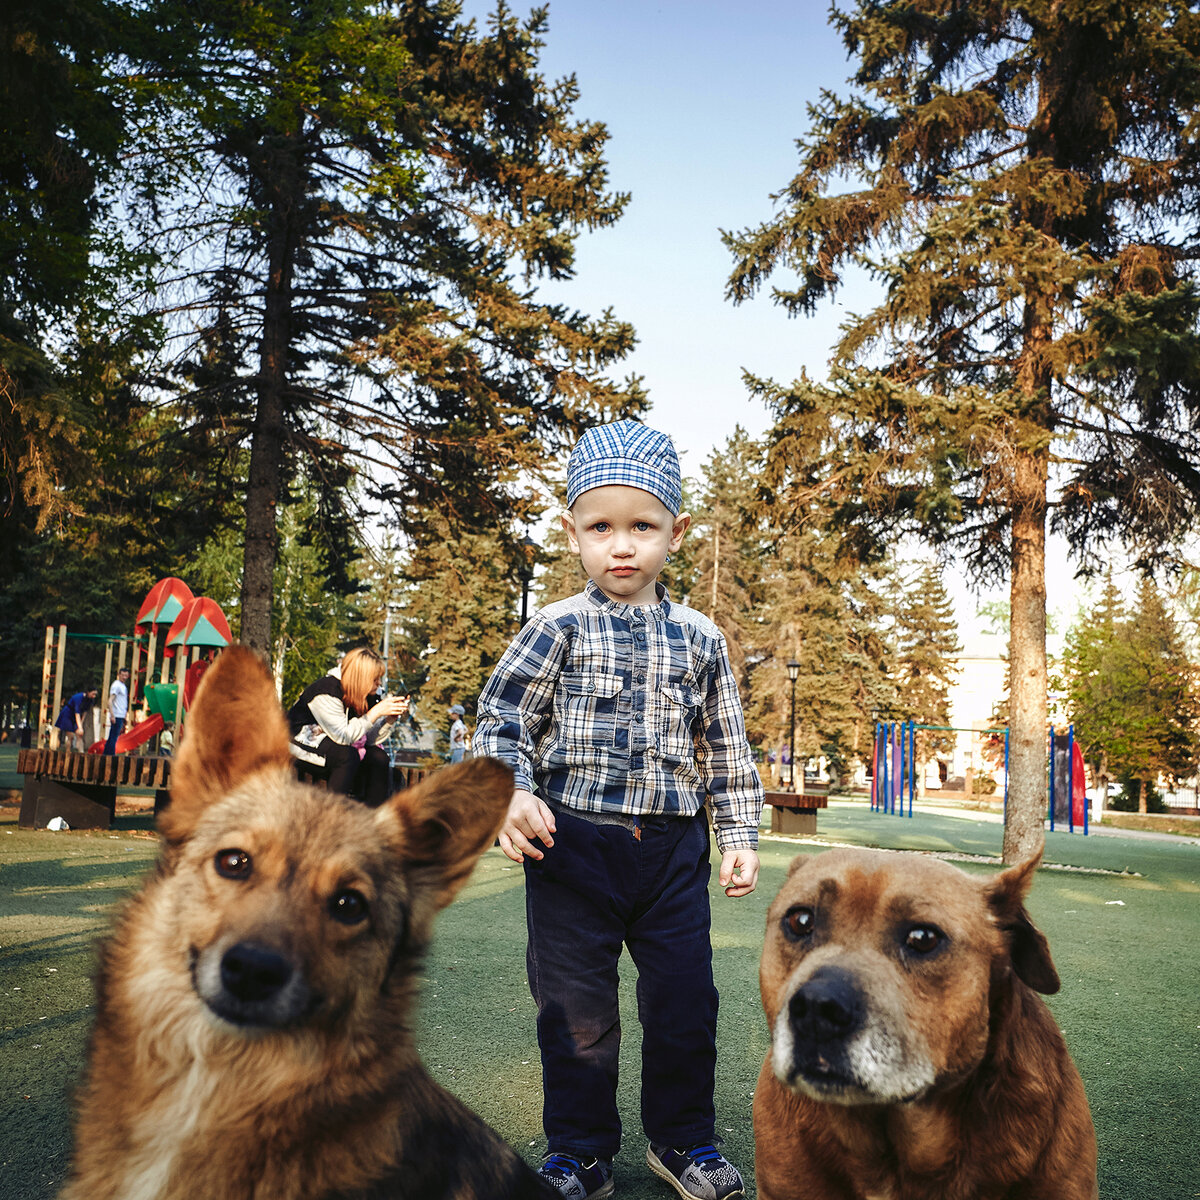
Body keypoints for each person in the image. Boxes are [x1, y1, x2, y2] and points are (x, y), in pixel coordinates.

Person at [474, 419, 764, 1200]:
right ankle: (581, 1152)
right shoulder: (555, 627)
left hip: (671, 856)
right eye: (601, 527)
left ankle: (684, 1142)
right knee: (576, 1013)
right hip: (570, 849)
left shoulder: (702, 639)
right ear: (573, 533)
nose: (623, 546)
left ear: (678, 532)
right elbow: (501, 720)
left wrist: (736, 833)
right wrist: (513, 790)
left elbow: (726, 747)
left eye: (643, 526)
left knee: (683, 1004)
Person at [287, 647, 408, 806]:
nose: (379, 683)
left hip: (335, 742)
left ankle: (374, 819)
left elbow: (369, 740)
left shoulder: (367, 694)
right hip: (300, 740)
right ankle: (332, 816)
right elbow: (343, 736)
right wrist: (374, 713)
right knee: (346, 755)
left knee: (379, 757)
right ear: (361, 678)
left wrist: (388, 719)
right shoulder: (326, 691)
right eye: (375, 679)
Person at [54, 687, 99, 752]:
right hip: (68, 715)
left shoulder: (91, 700)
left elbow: (84, 712)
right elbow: (77, 714)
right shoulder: (78, 698)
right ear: (88, 692)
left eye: (95, 694)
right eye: (93, 694)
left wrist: (81, 724)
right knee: (70, 736)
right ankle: (68, 752)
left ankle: (81, 752)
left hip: (77, 716)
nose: (94, 696)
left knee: (79, 735)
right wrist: (80, 727)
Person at [103, 667, 131, 755]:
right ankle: (111, 755)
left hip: (121, 714)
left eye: (126, 675)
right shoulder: (116, 685)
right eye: (122, 675)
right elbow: (110, 700)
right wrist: (112, 715)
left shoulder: (123, 686)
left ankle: (106, 754)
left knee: (113, 736)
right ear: (119, 675)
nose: (124, 677)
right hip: (116, 714)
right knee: (114, 737)